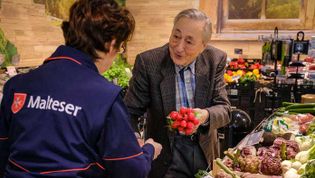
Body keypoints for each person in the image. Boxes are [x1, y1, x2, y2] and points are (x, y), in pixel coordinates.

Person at [0, 0, 162, 177]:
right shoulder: (105, 97)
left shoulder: (16, 85)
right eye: (121, 46)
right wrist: (149, 150)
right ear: (111, 44)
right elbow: (131, 169)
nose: (119, 53)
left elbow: (3, 150)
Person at [124, 8, 231, 178]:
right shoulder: (148, 62)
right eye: (176, 36)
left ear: (203, 46)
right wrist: (136, 139)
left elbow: (224, 110)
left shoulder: (215, 59)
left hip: (203, 152)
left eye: (189, 42)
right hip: (165, 156)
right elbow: (128, 112)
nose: (179, 47)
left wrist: (204, 116)